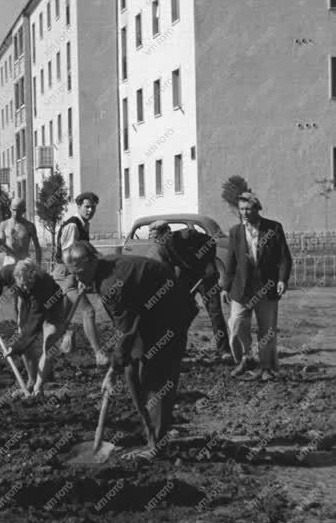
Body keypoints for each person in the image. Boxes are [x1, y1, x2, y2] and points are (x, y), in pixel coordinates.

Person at [63, 241, 187, 456]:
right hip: (147, 313)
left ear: (92, 261)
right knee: (133, 372)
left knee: (155, 377)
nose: (77, 279)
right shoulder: (103, 269)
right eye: (73, 274)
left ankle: (155, 445)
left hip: (168, 316)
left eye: (80, 273)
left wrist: (112, 371)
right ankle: (151, 432)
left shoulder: (111, 285)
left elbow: (126, 332)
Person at [221, 192, 292, 381]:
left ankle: (266, 367)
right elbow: (231, 261)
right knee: (236, 324)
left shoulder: (274, 228)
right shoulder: (235, 231)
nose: (244, 213)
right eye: (241, 209)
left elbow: (284, 257)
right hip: (241, 289)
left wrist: (282, 280)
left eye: (248, 209)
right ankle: (245, 359)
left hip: (266, 288)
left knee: (266, 330)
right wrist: (225, 287)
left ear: (257, 208)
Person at [0, 258, 74, 395]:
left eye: (29, 284)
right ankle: (31, 381)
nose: (25, 287)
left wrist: (15, 347)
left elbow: (32, 326)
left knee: (49, 344)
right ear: (16, 277)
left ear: (33, 276)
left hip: (52, 304)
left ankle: (38, 389)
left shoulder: (41, 284)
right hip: (29, 303)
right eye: (22, 285)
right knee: (26, 345)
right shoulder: (8, 272)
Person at [148, 221, 230, 362]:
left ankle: (224, 351)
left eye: (158, 237)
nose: (157, 241)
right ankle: (179, 349)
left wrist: (209, 263)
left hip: (206, 276)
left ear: (166, 232)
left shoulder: (187, 235)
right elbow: (169, 271)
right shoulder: (162, 249)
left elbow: (210, 243)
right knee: (180, 313)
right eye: (154, 238)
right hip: (186, 277)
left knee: (215, 312)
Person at [54, 192, 108, 366]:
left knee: (64, 316)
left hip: (72, 272)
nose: (90, 210)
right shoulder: (73, 226)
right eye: (87, 206)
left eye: (93, 207)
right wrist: (79, 277)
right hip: (66, 274)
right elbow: (69, 257)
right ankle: (99, 353)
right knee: (88, 311)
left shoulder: (84, 225)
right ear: (78, 206)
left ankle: (61, 346)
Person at [0, 198, 42, 266]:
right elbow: (0, 249)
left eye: (18, 211)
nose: (15, 213)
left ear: (24, 210)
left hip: (24, 262)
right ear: (10, 209)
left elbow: (37, 247)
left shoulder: (30, 226)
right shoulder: (4, 225)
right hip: (9, 262)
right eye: (14, 210)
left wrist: (38, 264)